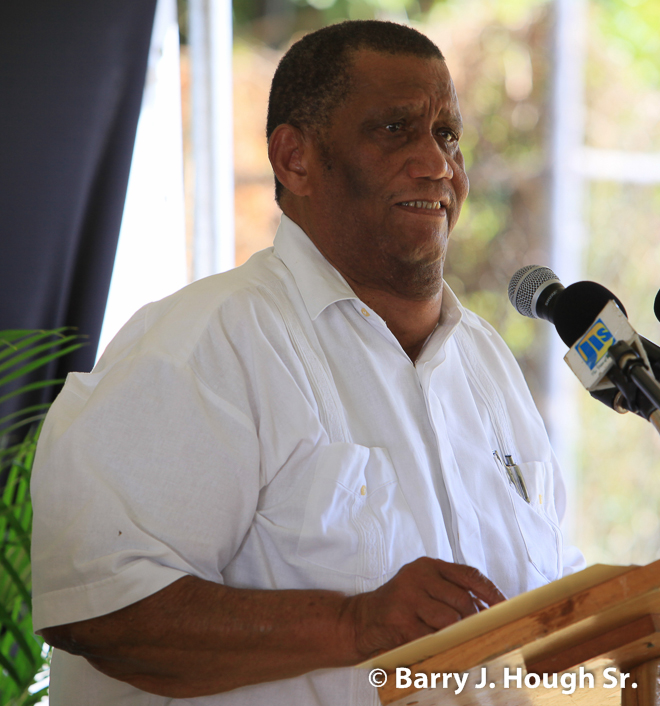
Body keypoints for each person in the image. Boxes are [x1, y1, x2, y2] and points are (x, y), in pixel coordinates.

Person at [31, 19, 584, 706]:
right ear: (294, 159)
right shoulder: (206, 342)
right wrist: (352, 623)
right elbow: (100, 609)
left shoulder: (486, 367)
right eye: (394, 130)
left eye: (447, 135)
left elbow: (556, 615)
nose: (439, 164)